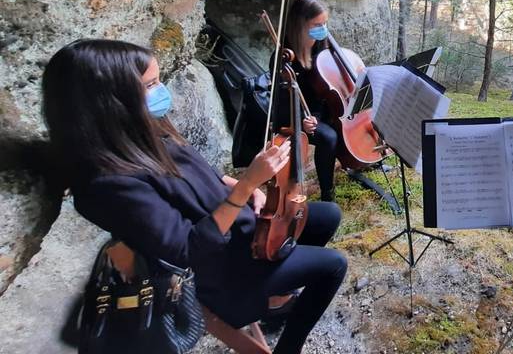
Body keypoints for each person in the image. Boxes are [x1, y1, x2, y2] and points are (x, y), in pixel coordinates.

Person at [43, 39, 347, 354]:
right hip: (220, 276)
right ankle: (286, 344)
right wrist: (245, 186)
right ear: (111, 102)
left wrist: (238, 185)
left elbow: (199, 176)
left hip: (234, 232)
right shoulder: (108, 185)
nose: (161, 90)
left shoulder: (144, 131)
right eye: (151, 84)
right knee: (333, 265)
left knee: (326, 216)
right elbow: (187, 249)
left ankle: (277, 296)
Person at [273, 0, 340, 202]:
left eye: (325, 23)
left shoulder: (321, 47)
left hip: (315, 112)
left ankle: (354, 161)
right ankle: (327, 193)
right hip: (292, 114)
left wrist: (318, 116)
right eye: (317, 24)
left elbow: (322, 91)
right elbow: (280, 103)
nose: (323, 29)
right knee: (328, 137)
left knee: (342, 123)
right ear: (301, 25)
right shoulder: (284, 56)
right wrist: (301, 120)